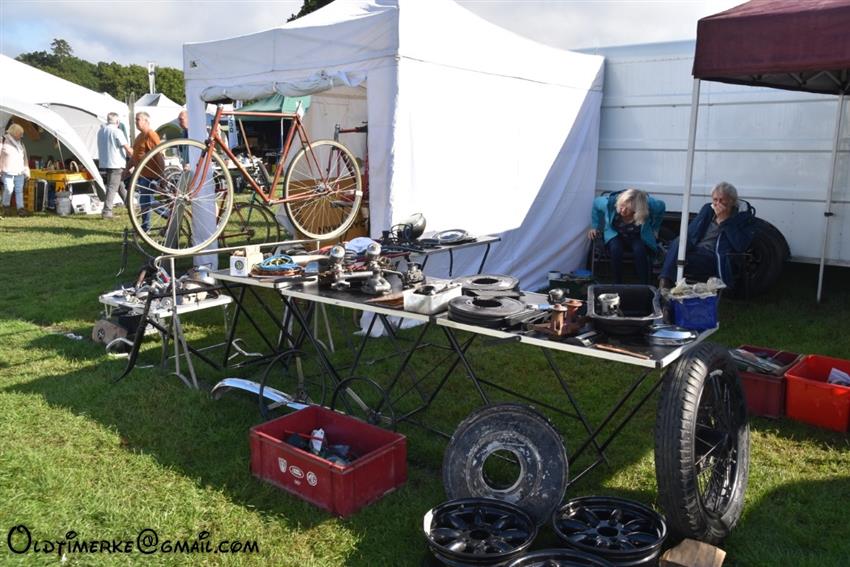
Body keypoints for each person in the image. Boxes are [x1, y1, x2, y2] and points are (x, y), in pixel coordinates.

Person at [659, 181, 756, 290]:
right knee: (679, 242)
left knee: (674, 258)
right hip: (695, 248)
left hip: (714, 256)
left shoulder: (742, 218)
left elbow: (740, 246)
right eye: (715, 199)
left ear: (732, 201)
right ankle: (665, 282)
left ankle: (666, 285)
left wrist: (724, 221)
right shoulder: (708, 209)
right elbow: (690, 233)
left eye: (722, 200)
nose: (717, 203)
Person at [589, 188, 666, 284]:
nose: (623, 210)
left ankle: (644, 284)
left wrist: (655, 228)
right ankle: (617, 283)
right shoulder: (610, 203)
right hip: (615, 234)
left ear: (637, 209)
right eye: (622, 206)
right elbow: (596, 203)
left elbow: (661, 207)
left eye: (628, 209)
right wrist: (595, 226)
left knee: (640, 250)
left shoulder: (648, 204)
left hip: (637, 235)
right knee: (615, 249)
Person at [128, 111, 165, 231]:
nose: (136, 122)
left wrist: (162, 175)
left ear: (146, 121)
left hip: (151, 175)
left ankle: (168, 215)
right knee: (145, 201)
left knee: (147, 201)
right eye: (136, 119)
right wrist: (126, 170)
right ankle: (145, 226)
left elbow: (159, 156)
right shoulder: (139, 137)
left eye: (138, 119)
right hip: (142, 175)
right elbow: (134, 156)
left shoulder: (151, 135)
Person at [97, 112, 133, 219]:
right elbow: (127, 149)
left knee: (119, 185)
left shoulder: (101, 131)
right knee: (112, 187)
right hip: (116, 163)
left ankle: (130, 205)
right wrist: (136, 157)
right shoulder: (117, 131)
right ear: (117, 121)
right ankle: (106, 211)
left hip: (106, 162)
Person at [0, 123, 31, 217]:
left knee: (19, 190)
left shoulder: (21, 143)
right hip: (7, 171)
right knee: (8, 189)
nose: (22, 136)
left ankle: (20, 209)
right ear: (14, 132)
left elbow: (25, 158)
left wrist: (27, 170)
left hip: (19, 171)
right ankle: (5, 207)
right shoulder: (3, 140)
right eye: (20, 133)